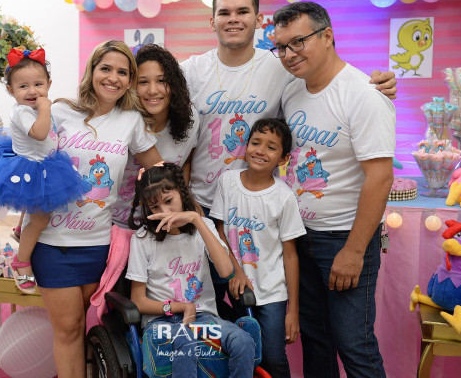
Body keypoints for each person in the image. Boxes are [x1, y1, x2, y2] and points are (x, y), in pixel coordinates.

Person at [179, 0, 398, 321]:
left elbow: (330, 76)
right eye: (224, 12)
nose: (233, 19)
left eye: (242, 11)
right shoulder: (190, 71)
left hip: (258, 213)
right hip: (202, 207)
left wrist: (377, 84)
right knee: (200, 309)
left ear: (257, 19)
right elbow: (171, 126)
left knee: (255, 315)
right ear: (212, 20)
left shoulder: (283, 69)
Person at [274, 2, 395, 377]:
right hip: (301, 236)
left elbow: (380, 177)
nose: (289, 54)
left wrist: (354, 252)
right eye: (281, 47)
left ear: (327, 36)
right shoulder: (292, 92)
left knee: (354, 344)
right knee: (317, 340)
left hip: (343, 238)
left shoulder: (363, 95)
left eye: (298, 42)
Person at [31, 40, 162, 377]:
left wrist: (180, 205)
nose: (113, 78)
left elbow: (160, 171)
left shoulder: (131, 121)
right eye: (106, 68)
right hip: (52, 242)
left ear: (130, 80)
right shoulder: (60, 112)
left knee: (85, 325)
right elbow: (31, 161)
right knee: (68, 328)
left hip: (99, 246)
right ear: (91, 71)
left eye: (122, 72)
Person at [0, 48, 90, 294]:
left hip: (44, 165)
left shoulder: (34, 108)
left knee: (34, 202)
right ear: (10, 90)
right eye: (23, 86)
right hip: (31, 167)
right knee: (41, 218)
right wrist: (46, 109)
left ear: (49, 84)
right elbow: (40, 133)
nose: (32, 91)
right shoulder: (23, 111)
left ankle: (20, 228)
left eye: (38, 84)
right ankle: (21, 261)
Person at [126, 162, 255, 378]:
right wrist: (182, 307)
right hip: (160, 323)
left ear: (182, 193)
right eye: (155, 207)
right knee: (185, 341)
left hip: (203, 319)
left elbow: (225, 272)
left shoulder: (203, 228)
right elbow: (138, 301)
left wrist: (196, 219)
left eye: (169, 201)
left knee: (243, 341)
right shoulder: (142, 239)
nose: (165, 213)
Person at [210, 118, 306, 378]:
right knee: (247, 353)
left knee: (273, 357)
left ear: (283, 158)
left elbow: (290, 255)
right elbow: (220, 233)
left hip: (273, 293)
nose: (260, 151)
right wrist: (236, 272)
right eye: (255, 143)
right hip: (239, 288)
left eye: (271, 147)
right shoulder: (228, 181)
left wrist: (293, 311)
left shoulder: (284, 197)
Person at [112, 44, 200, 228]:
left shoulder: (190, 118)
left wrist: (184, 201)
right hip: (114, 223)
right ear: (131, 86)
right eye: (143, 82)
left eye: (161, 81)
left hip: (162, 225)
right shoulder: (122, 119)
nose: (153, 90)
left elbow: (186, 162)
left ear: (174, 83)